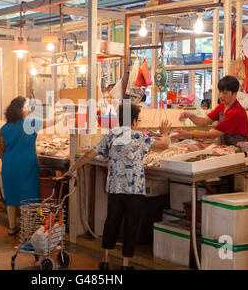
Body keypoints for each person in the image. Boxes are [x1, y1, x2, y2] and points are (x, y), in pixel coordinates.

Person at [65, 103, 171, 270]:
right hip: (134, 190)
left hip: (114, 189)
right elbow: (164, 145)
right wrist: (164, 133)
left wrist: (72, 169)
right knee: (131, 224)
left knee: (111, 222)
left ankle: (105, 260)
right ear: (135, 120)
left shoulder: (111, 136)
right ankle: (125, 264)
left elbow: (89, 154)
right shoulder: (140, 137)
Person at [0, 96, 68, 235]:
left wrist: (8, 162)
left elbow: (2, 149)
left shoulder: (4, 128)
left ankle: (12, 227)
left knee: (11, 196)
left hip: (9, 165)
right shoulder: (30, 123)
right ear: (21, 109)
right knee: (28, 197)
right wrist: (65, 114)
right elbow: (52, 122)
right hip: (26, 165)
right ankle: (27, 228)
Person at [173, 75, 248, 146]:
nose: (221, 96)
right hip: (226, 147)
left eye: (225, 93)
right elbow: (203, 122)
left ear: (235, 94)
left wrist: (187, 134)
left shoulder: (236, 112)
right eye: (220, 92)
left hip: (239, 149)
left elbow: (213, 134)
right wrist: (190, 115)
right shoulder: (221, 107)